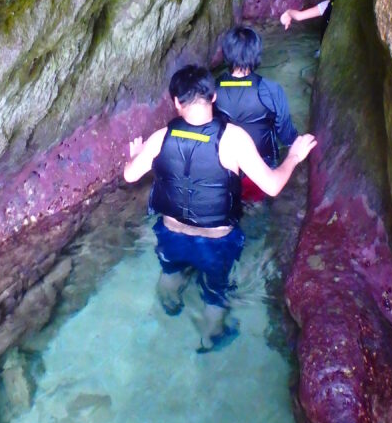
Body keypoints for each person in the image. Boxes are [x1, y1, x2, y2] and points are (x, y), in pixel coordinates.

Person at [124, 65, 316, 351]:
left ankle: (170, 303)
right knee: (215, 291)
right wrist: (294, 157)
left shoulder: (160, 137)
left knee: (171, 269)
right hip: (217, 242)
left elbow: (129, 175)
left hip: (171, 233)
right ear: (213, 97)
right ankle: (211, 335)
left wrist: (138, 155)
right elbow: (273, 186)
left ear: (176, 103)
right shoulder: (234, 138)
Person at [214, 26, 299, 200]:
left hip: (224, 172)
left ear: (226, 53)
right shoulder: (270, 89)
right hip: (262, 171)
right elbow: (286, 134)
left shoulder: (211, 89)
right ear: (256, 55)